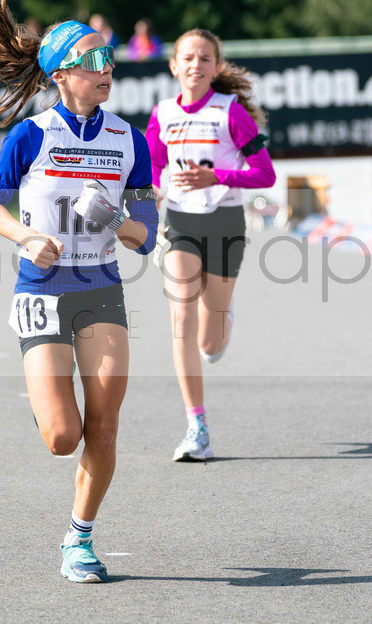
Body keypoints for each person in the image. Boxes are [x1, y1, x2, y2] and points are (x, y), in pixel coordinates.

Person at [0, 0, 158, 583]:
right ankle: (47, 405)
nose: (105, 69)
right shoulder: (30, 137)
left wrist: (114, 219)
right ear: (61, 75)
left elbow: (149, 236)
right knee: (64, 437)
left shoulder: (128, 142)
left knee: (106, 425)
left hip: (101, 289)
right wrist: (25, 238)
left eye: (108, 57)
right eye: (91, 60)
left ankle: (79, 540)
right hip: (41, 290)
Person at [146, 28, 276, 461]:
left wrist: (215, 176)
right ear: (174, 66)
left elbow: (265, 174)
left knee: (209, 342)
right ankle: (196, 426)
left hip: (225, 222)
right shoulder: (163, 113)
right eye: (187, 57)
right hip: (181, 223)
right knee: (180, 322)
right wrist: (152, 192)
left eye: (204, 59)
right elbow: (151, 166)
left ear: (216, 67)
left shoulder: (230, 113)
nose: (195, 65)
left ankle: (222, 316)